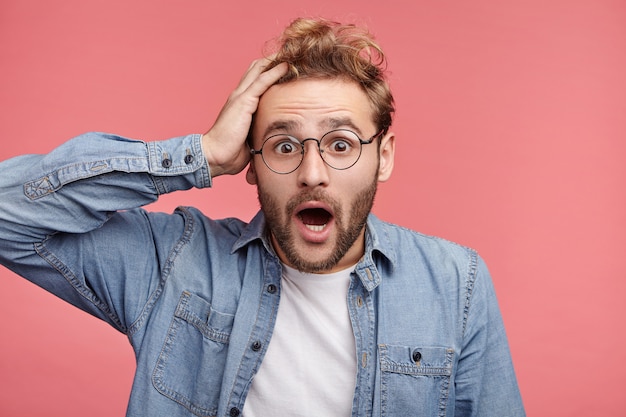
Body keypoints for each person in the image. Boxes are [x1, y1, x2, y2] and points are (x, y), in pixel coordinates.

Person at [0, 17, 525, 417]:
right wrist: (201, 155)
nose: (312, 173)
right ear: (249, 164)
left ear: (382, 156)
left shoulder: (457, 282)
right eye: (283, 144)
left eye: (341, 144)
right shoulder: (174, 264)